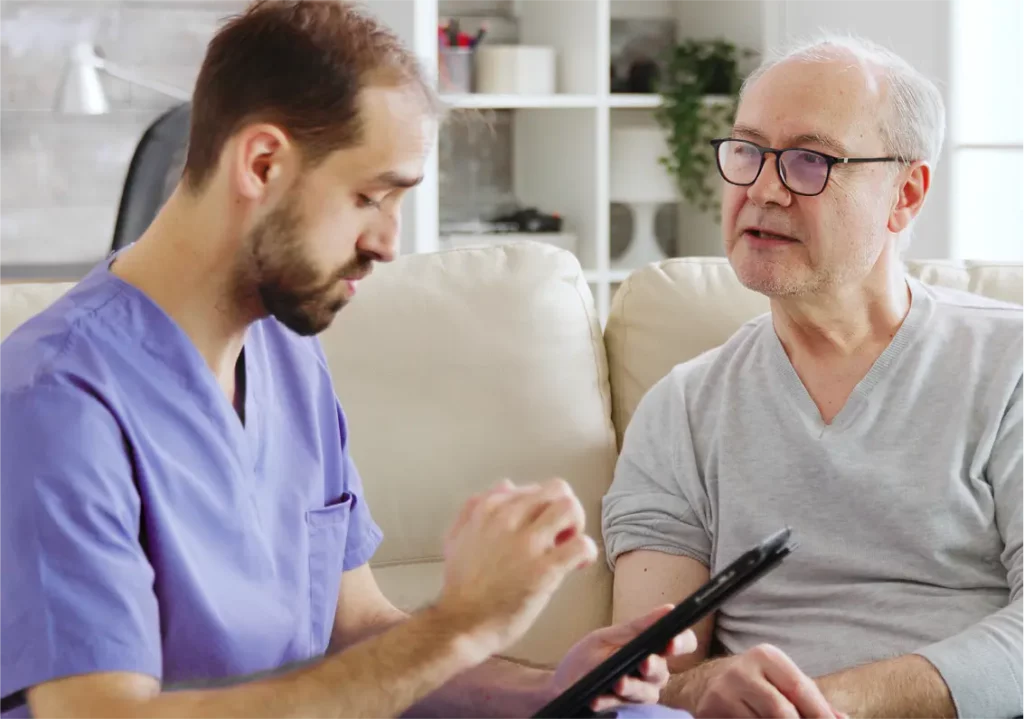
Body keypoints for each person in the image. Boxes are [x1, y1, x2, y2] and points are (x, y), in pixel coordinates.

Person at [0, 2, 701, 718]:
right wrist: (459, 622)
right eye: (371, 196)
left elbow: (360, 634)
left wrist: (546, 688)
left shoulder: (286, 354)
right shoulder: (53, 396)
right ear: (262, 163)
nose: (390, 242)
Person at [602, 33, 1024, 719]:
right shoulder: (681, 408)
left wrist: (828, 704)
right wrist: (703, 684)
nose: (764, 189)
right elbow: (648, 672)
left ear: (906, 194)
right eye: (747, 151)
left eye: (809, 160)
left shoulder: (1010, 366)